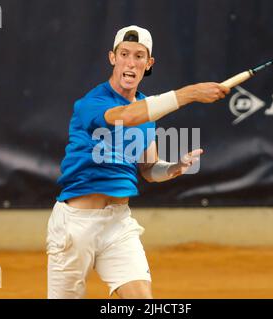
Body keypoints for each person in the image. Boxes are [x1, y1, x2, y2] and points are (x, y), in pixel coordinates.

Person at [47, 25, 230, 299]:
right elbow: (126, 116)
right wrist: (189, 94)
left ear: (149, 63)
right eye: (124, 54)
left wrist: (174, 169)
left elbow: (148, 169)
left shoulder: (147, 114)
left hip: (118, 224)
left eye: (139, 56)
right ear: (112, 58)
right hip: (76, 226)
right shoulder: (91, 104)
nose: (130, 63)